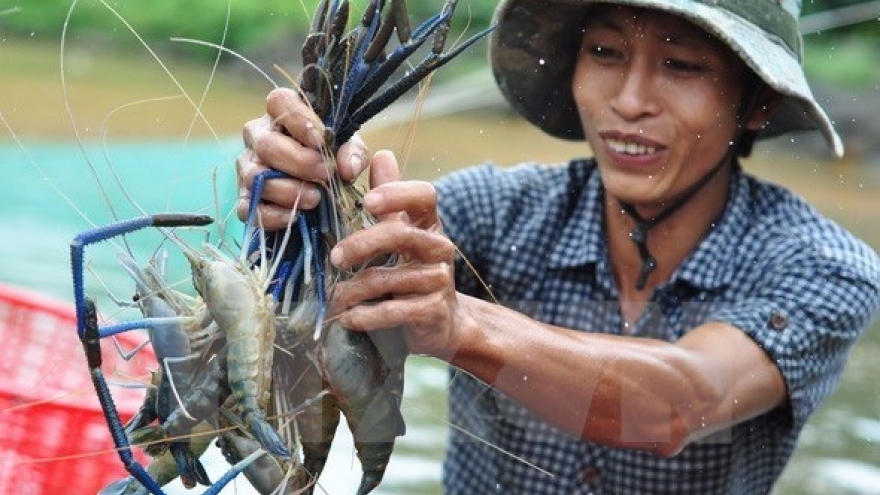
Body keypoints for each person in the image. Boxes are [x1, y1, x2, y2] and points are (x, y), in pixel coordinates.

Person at [235, 0, 880, 493]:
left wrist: (460, 323)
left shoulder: (821, 265)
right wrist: (297, 193)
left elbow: (682, 401)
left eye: (681, 65)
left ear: (757, 101)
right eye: (604, 53)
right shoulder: (494, 209)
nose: (629, 102)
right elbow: (348, 262)